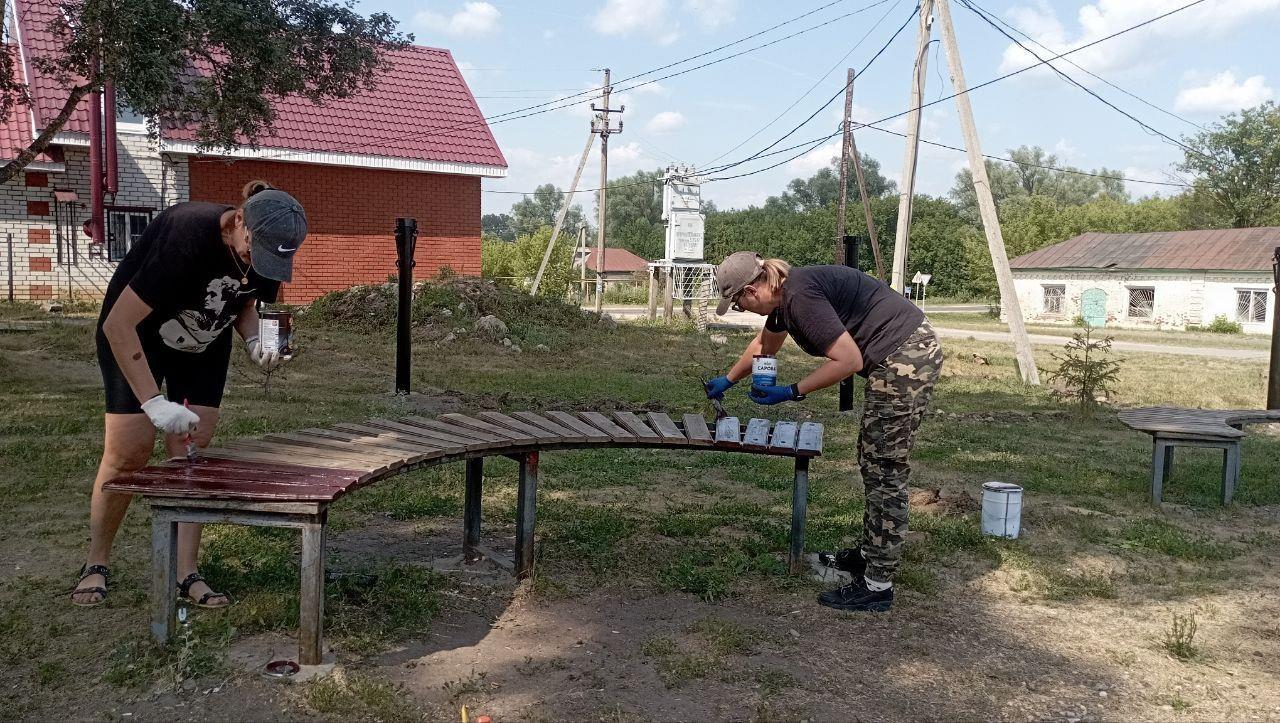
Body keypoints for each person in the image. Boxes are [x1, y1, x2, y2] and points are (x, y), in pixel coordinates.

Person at [71, 181, 308, 607]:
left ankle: (187, 572)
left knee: (192, 450)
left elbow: (246, 304)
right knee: (129, 451)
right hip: (137, 335)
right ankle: (96, 562)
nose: (261, 263)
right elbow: (117, 325)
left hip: (202, 341)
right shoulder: (187, 232)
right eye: (257, 252)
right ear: (239, 222)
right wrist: (152, 402)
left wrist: (256, 342)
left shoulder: (269, 250)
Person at [704, 251, 942, 612]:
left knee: (884, 468)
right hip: (897, 355)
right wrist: (729, 379)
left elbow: (849, 361)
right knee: (872, 460)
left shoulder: (801, 297)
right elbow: (763, 346)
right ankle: (869, 553)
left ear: (751, 291)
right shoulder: (785, 298)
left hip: (905, 357)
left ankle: (878, 585)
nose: (743, 310)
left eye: (738, 304)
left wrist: (792, 391)